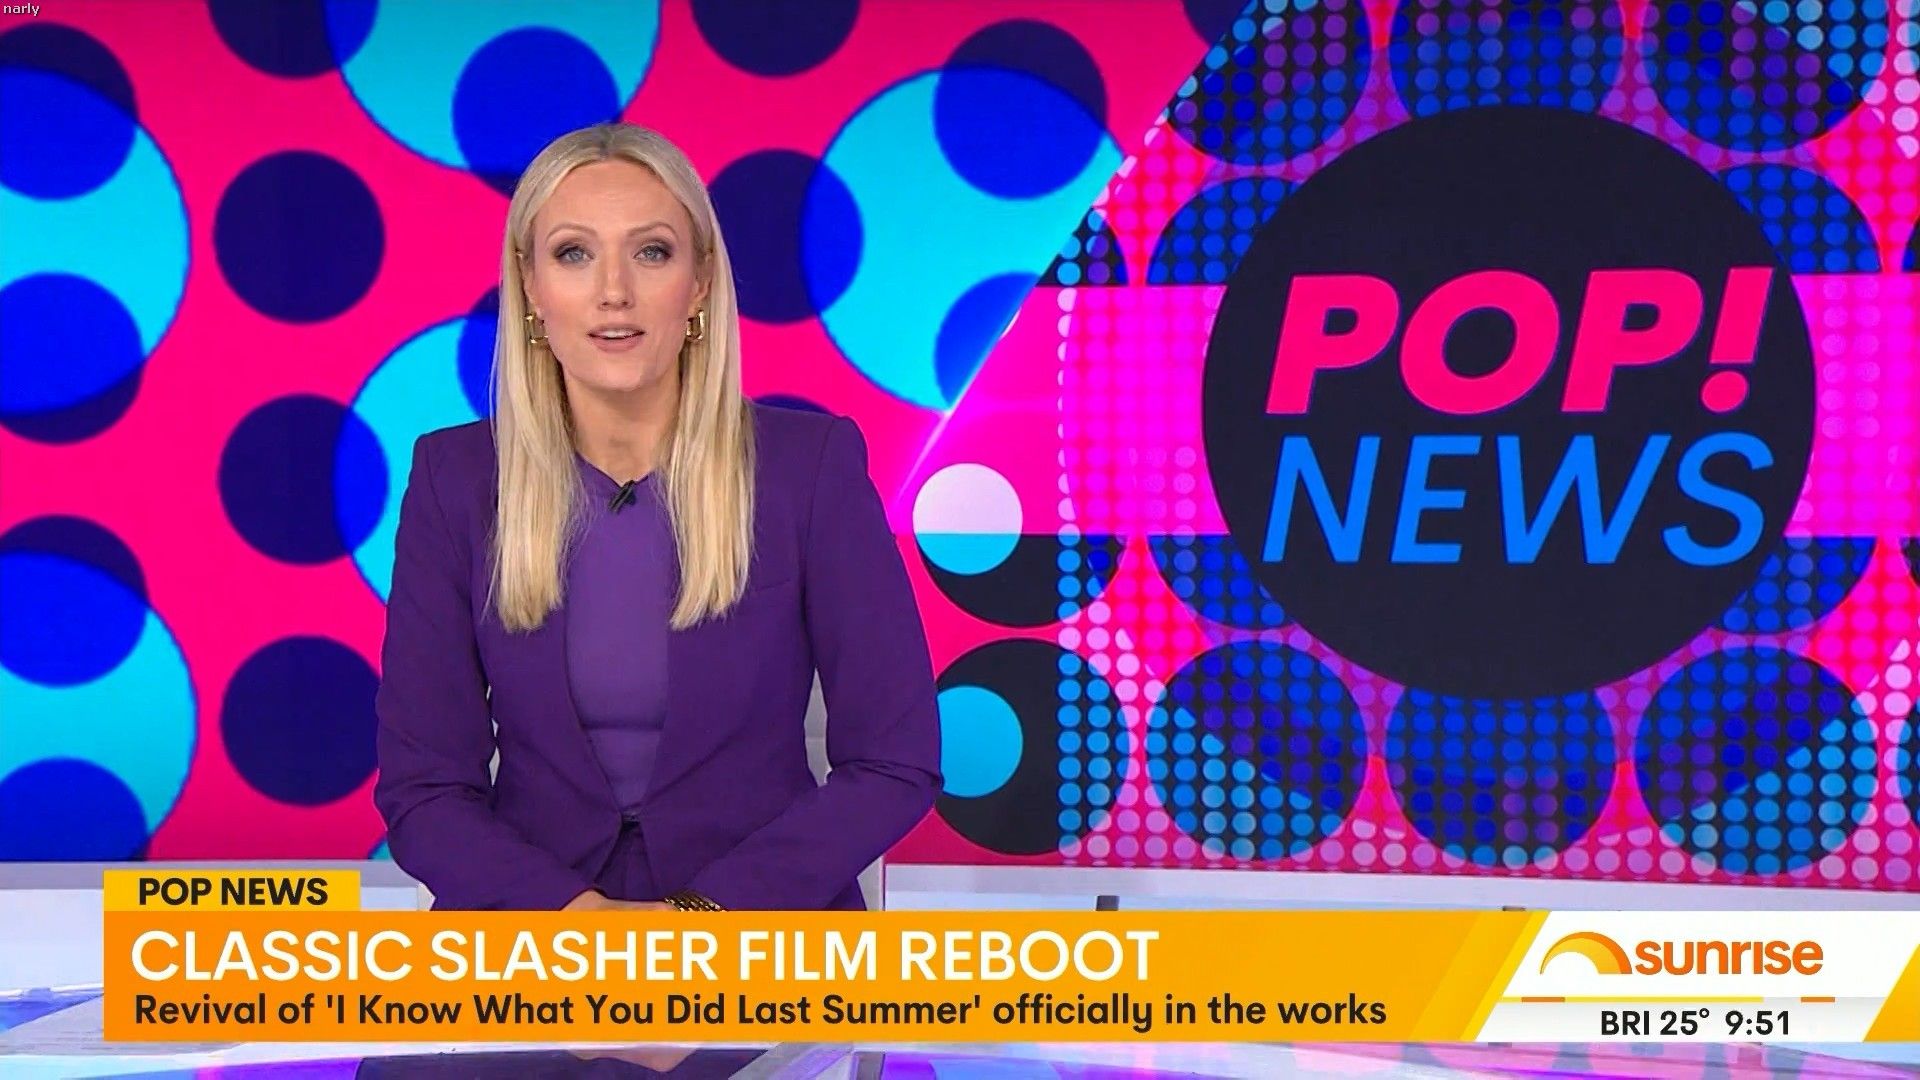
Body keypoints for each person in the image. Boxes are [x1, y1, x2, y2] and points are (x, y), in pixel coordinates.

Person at [373, 122, 941, 911]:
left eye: (651, 252)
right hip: (531, 936)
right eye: (574, 253)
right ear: (530, 286)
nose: (614, 291)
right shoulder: (455, 480)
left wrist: (698, 924)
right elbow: (425, 790)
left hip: (760, 931)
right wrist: (579, 927)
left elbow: (893, 760)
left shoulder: (808, 469)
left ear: (699, 281)